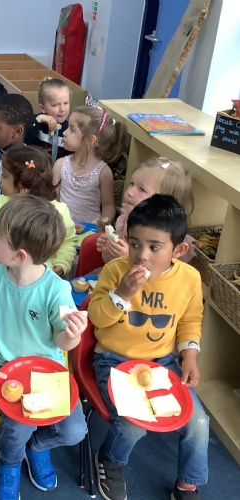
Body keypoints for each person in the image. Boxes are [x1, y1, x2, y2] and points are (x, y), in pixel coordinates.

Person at [88, 194, 209, 500]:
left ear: (178, 250)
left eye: (154, 247)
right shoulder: (116, 271)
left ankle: (188, 482)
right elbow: (97, 319)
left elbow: (190, 320)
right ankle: (110, 459)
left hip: (162, 361)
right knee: (134, 424)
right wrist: (122, 293)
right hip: (114, 359)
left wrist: (189, 356)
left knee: (198, 421)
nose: (141, 256)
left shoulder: (189, 279)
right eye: (134, 244)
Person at [0, 195, 88, 500]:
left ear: (19, 255)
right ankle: (8, 462)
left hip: (47, 371)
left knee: (74, 431)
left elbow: (62, 341)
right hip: (4, 367)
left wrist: (73, 336)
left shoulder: (57, 289)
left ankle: (35, 448)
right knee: (18, 427)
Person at [0, 145, 77, 277]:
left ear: (23, 188)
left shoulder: (58, 212)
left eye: (4, 175)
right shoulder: (1, 203)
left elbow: (67, 242)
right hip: (1, 274)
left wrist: (62, 263)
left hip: (43, 277)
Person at [97, 156, 195, 263]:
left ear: (164, 203)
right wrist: (108, 249)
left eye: (142, 189)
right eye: (132, 184)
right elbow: (110, 263)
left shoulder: (165, 239)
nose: (129, 192)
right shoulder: (126, 219)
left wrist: (128, 259)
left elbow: (156, 272)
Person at [52, 105, 126, 225]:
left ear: (91, 139)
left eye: (72, 129)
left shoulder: (103, 172)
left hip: (91, 228)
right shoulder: (60, 165)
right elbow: (54, 200)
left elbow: (108, 206)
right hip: (63, 225)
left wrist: (103, 223)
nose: (64, 132)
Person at [24, 77, 71, 162]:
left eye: (66, 103)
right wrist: (37, 121)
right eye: (55, 105)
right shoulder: (35, 122)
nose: (62, 109)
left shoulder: (69, 129)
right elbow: (25, 143)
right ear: (42, 108)